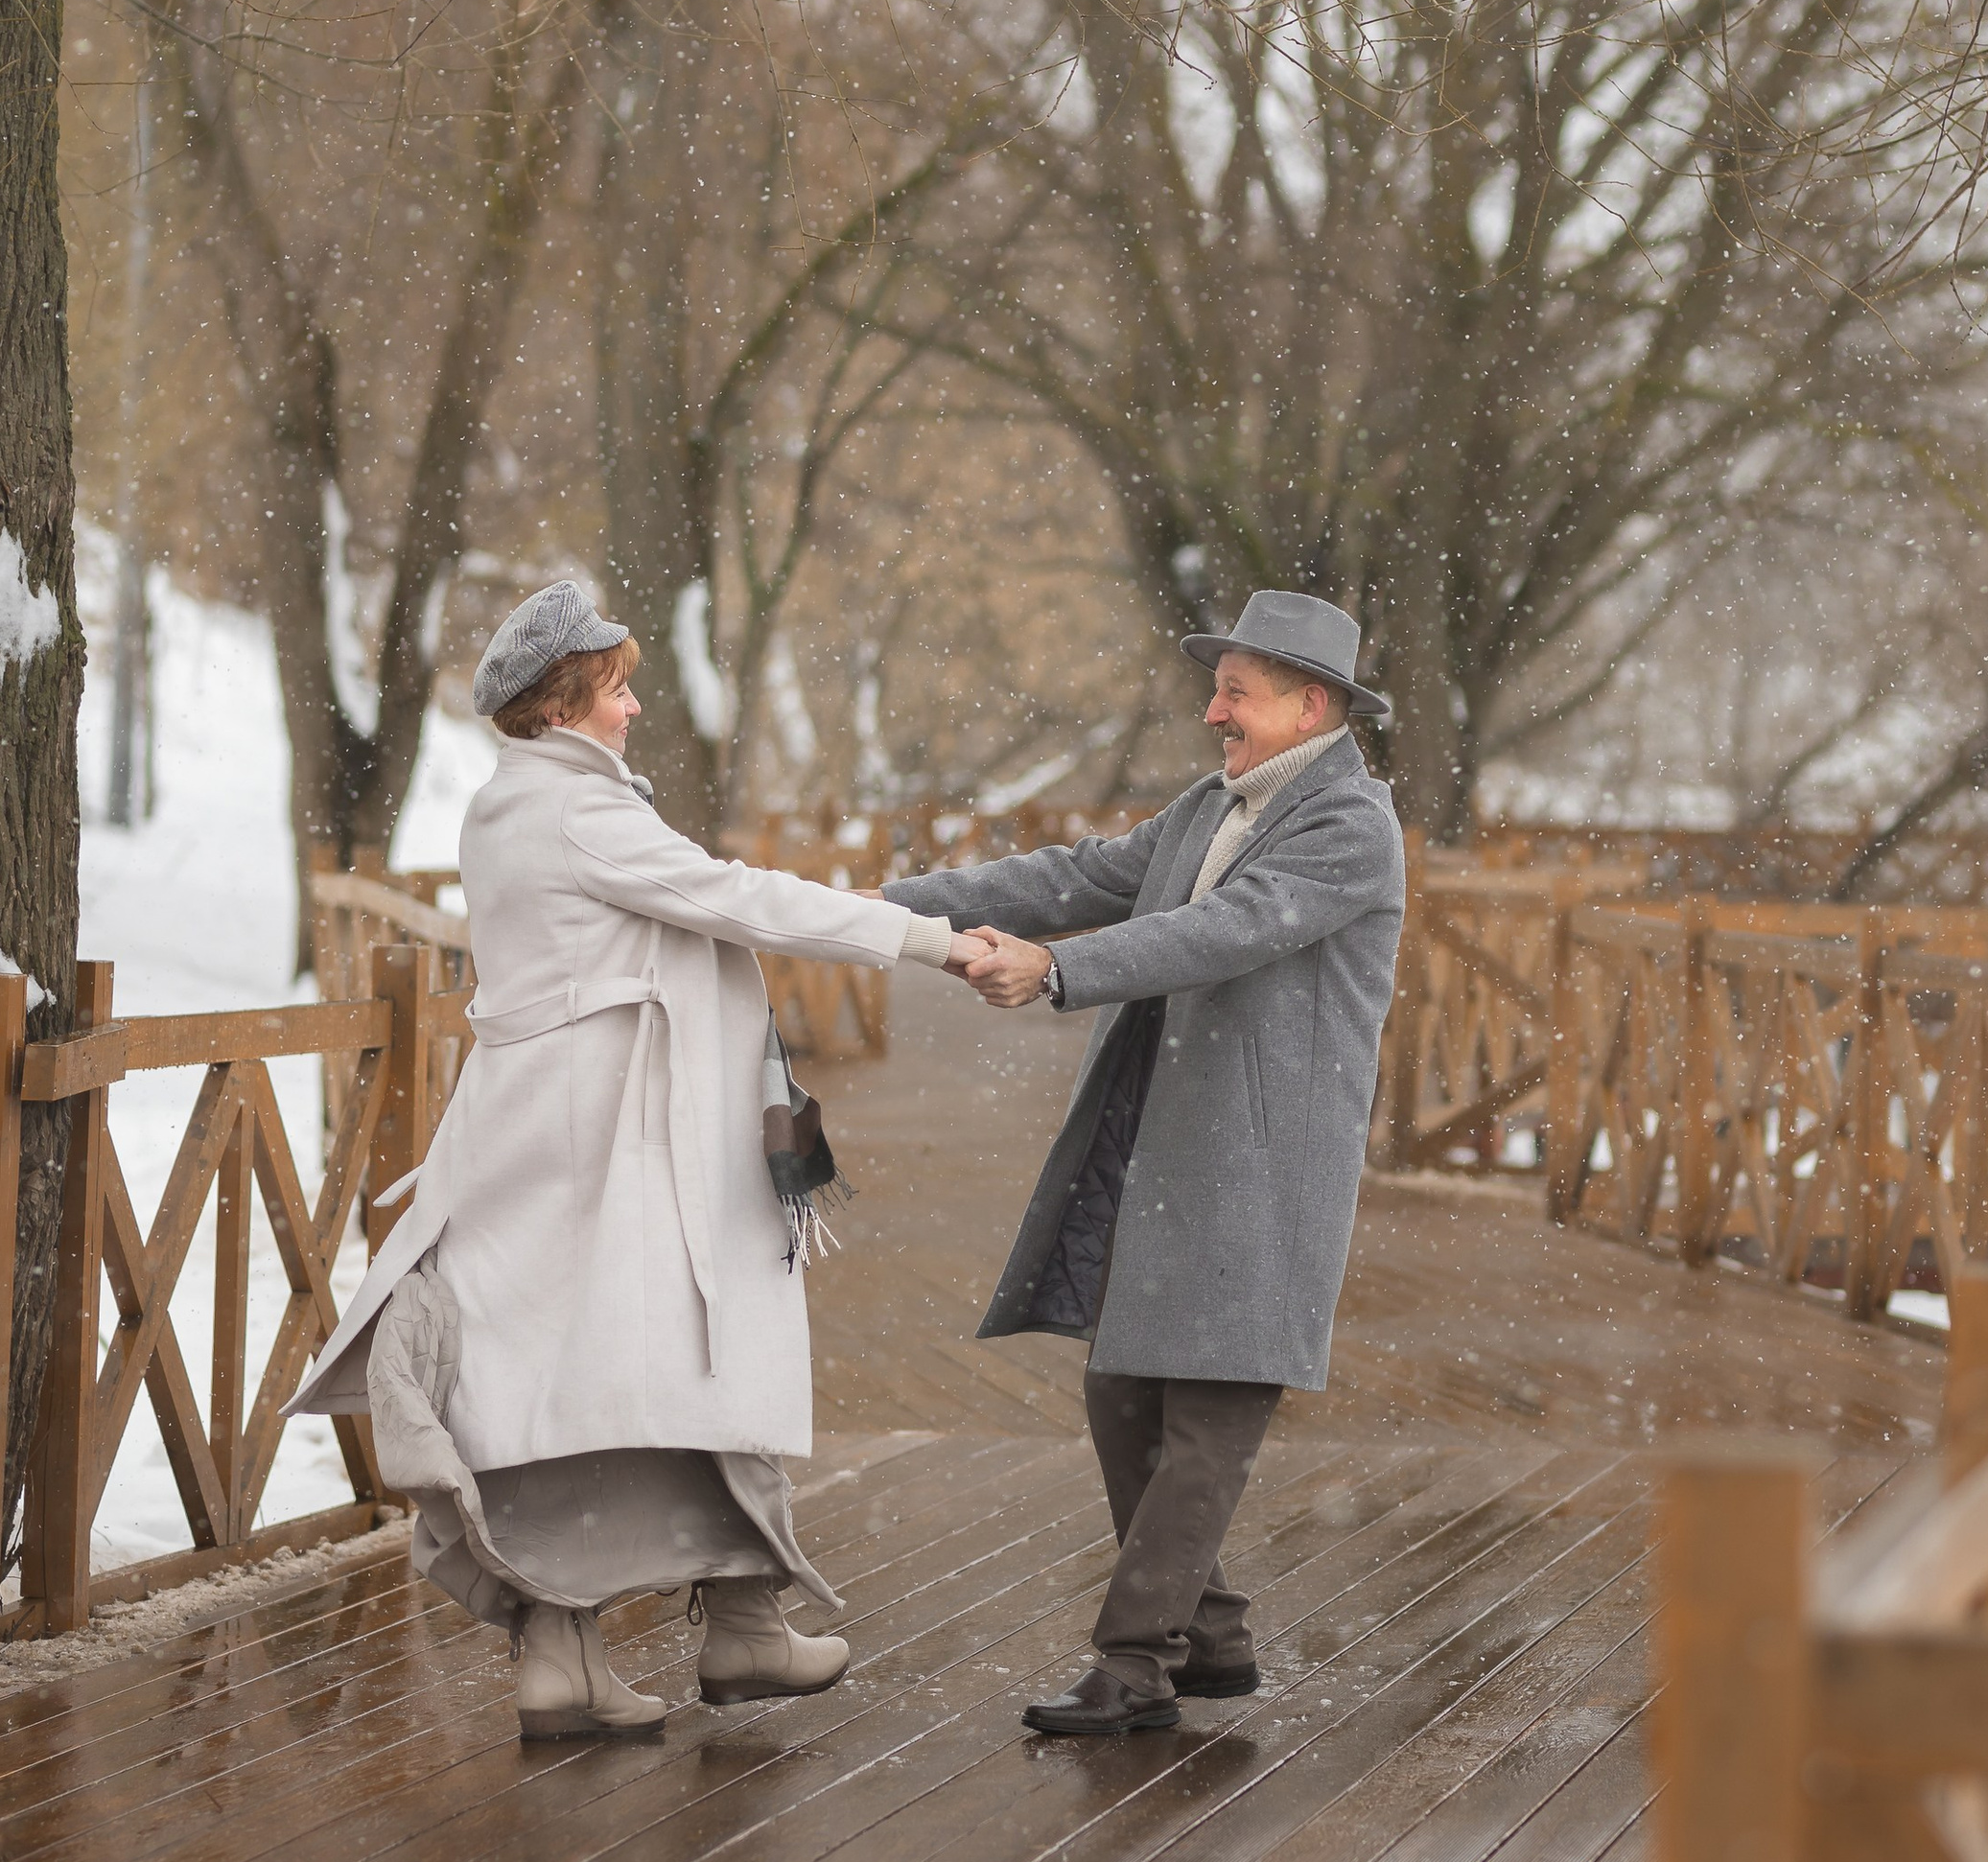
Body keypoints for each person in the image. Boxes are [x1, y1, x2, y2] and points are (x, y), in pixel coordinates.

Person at [292, 579, 990, 1741]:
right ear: (563, 706)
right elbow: (737, 899)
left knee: (558, 1392)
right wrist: (920, 937)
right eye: (614, 687)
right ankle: (741, 1624)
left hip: (549, 1148)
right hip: (610, 1153)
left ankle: (571, 1657)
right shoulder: (579, 812)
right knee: (683, 1370)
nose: (633, 705)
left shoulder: (509, 804)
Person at [885, 590, 1405, 1739]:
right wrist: (876, 911)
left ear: (1309, 704)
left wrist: (1056, 974)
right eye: (1217, 684)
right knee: (1122, 1388)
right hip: (1174, 1152)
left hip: (1262, 1170)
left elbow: (1224, 930)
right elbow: (1070, 876)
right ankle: (1208, 1637)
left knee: (1207, 1416)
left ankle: (1133, 1667)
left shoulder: (1348, 825)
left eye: (1237, 689)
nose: (1212, 707)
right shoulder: (1210, 805)